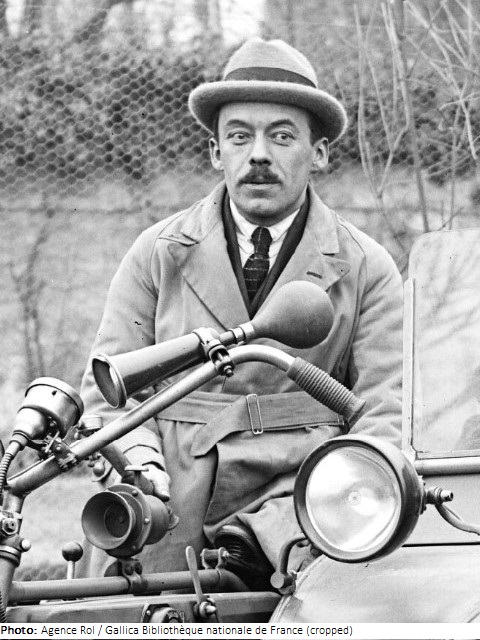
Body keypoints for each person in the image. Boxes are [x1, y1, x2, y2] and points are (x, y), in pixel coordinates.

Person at [78, 37, 403, 583]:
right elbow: (107, 391)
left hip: (302, 507)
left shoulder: (367, 267)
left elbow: (387, 413)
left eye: (282, 136)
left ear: (319, 153)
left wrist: (337, 506)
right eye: (239, 136)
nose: (258, 155)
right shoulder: (158, 252)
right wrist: (140, 468)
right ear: (215, 152)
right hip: (168, 504)